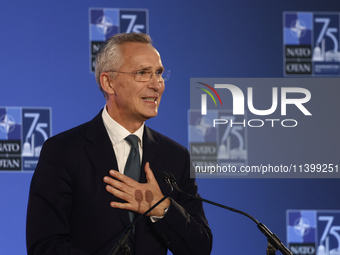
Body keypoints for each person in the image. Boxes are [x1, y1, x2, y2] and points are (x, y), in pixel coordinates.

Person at [26, 33, 212, 255]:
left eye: (159, 73)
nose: (157, 85)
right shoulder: (63, 151)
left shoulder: (176, 157)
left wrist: (162, 208)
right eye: (143, 73)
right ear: (109, 82)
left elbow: (199, 248)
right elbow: (45, 245)